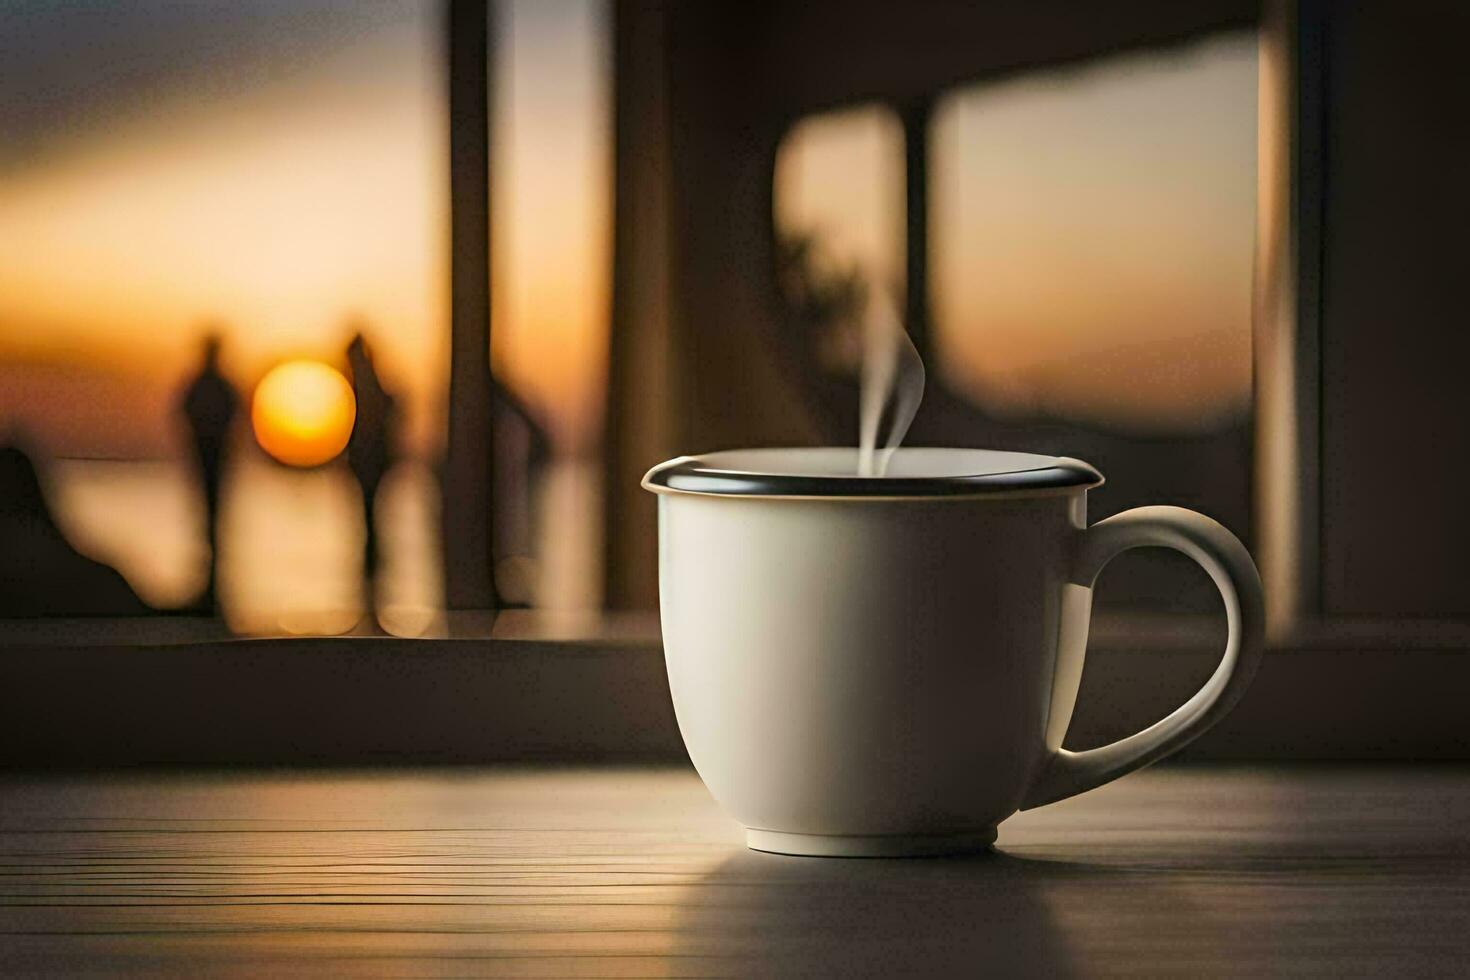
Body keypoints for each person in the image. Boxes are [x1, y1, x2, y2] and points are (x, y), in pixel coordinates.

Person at [177, 332, 238, 611]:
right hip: (207, 460)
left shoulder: (211, 385)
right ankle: (211, 585)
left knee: (213, 520)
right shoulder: (210, 385)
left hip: (214, 461)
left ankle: (214, 584)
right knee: (208, 520)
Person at [345, 332, 397, 614]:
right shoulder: (366, 380)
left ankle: (372, 573)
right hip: (370, 461)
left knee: (371, 519)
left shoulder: (365, 381)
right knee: (371, 519)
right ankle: (372, 574)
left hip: (370, 462)